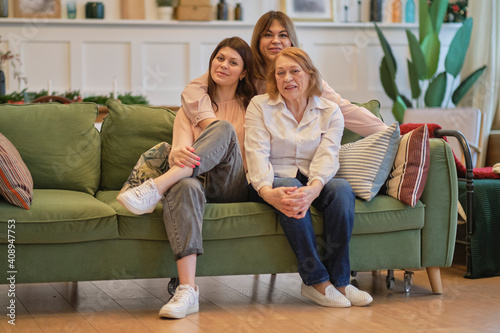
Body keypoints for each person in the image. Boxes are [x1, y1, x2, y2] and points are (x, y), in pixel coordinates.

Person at [116, 37, 257, 319]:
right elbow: (179, 153)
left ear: (243, 73)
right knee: (184, 184)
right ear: (211, 62)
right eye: (220, 58)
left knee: (223, 130)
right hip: (196, 182)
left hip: (234, 182)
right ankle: (188, 290)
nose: (224, 65)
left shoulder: (253, 106)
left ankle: (156, 187)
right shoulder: (189, 107)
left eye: (233, 62)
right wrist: (180, 157)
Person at [245, 47, 373, 308]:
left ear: (311, 75)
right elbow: (256, 153)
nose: (287, 78)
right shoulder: (259, 106)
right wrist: (267, 192)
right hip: (271, 181)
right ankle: (315, 281)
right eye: (280, 73)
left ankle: (340, 281)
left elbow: (328, 156)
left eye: (295, 71)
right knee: (291, 186)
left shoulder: (330, 111)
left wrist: (314, 188)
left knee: (341, 189)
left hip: (313, 181)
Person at [181, 10, 387, 138]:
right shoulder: (244, 69)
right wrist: (213, 127)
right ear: (258, 40)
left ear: (291, 40)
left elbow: (344, 109)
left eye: (283, 35)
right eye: (268, 35)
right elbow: (194, 90)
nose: (275, 41)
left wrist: (388, 133)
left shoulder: (303, 76)